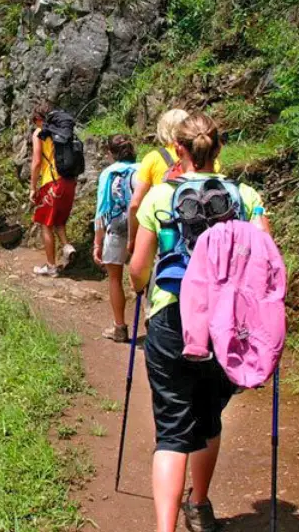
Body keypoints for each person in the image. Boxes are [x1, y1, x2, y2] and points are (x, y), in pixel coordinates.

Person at [128, 113, 270, 532]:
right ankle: (200, 504)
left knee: (172, 426)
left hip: (172, 316)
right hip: (227, 321)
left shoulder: (159, 196)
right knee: (208, 417)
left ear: (178, 150)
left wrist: (141, 286)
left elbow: (138, 268)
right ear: (220, 148)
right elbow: (266, 257)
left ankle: (165, 528)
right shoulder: (245, 196)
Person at [92, 135, 141, 342]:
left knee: (114, 278)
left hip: (116, 226)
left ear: (110, 153)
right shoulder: (142, 169)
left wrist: (97, 242)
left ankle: (119, 328)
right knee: (146, 278)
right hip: (140, 226)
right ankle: (151, 323)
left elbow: (102, 210)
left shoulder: (108, 173)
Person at [126, 109, 190, 254]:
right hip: (197, 228)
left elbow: (135, 204)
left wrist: (132, 239)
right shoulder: (202, 157)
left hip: (164, 230)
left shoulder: (153, 158)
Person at [30, 103, 78, 277]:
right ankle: (66, 246)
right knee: (58, 220)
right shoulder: (64, 132)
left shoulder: (39, 133)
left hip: (52, 183)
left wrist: (32, 187)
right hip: (69, 182)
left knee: (45, 224)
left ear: (38, 119)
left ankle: (50, 267)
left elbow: (36, 162)